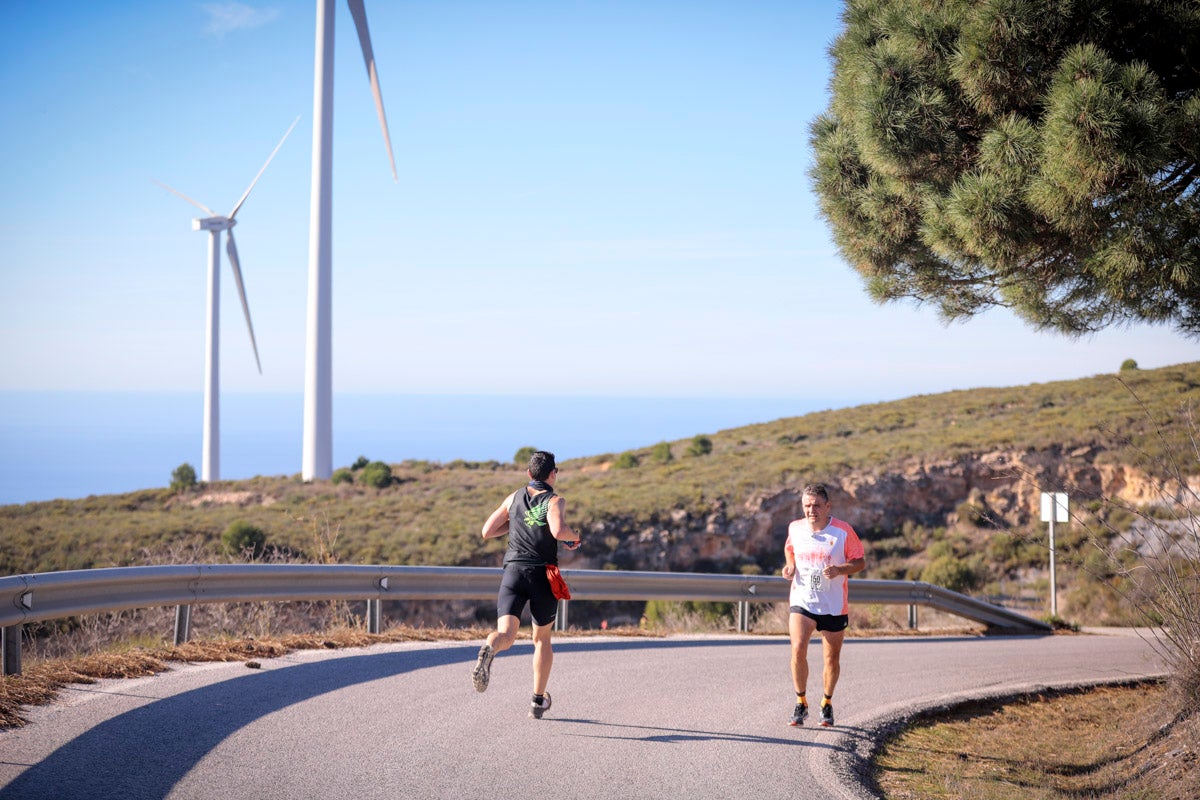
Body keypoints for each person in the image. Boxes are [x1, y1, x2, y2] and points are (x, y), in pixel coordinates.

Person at [472, 450, 581, 718]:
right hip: (541, 575)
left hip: (513, 572)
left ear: (529, 474)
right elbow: (557, 531)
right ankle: (537, 700)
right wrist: (574, 536)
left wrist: (515, 525)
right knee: (541, 639)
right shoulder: (554, 500)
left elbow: (487, 531)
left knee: (506, 635)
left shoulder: (513, 497)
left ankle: (489, 648)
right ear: (553, 474)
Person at [781, 482, 866, 727]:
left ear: (828, 506)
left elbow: (859, 561)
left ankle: (826, 703)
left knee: (831, 658)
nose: (811, 510)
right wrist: (790, 565)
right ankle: (800, 702)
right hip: (803, 600)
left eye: (817, 505)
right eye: (807, 505)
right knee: (797, 649)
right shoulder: (795, 528)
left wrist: (840, 569)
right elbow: (790, 550)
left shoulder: (842, 531)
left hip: (833, 604)